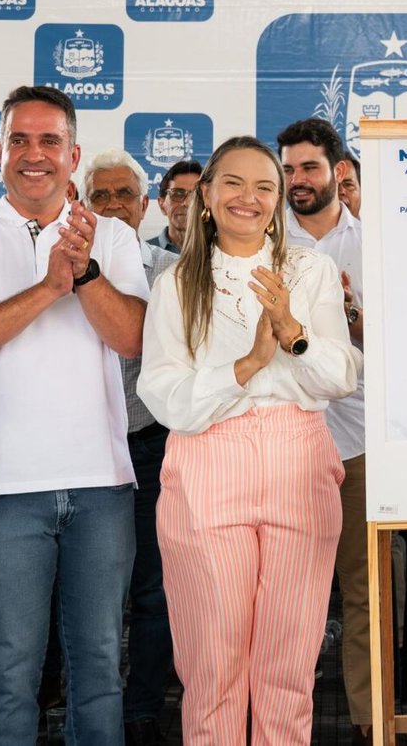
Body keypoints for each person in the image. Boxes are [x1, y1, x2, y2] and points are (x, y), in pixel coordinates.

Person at [0, 86, 149, 746]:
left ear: (72, 155)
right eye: (18, 139)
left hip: (102, 484)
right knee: (9, 671)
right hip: (3, 488)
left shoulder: (111, 235)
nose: (34, 154)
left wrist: (86, 275)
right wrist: (50, 285)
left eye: (49, 140)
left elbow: (133, 338)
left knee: (99, 667)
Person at [140, 135, 357, 746]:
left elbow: (341, 377)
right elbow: (165, 396)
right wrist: (247, 365)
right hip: (208, 460)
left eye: (265, 186)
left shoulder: (309, 270)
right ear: (207, 195)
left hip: (299, 458)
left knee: (289, 661)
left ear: (279, 199)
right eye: (233, 183)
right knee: (212, 661)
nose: (249, 197)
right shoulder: (177, 284)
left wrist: (293, 333)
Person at [276, 118, 381, 740]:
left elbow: (402, 340)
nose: (297, 180)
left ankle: (371, 721)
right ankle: (283, 721)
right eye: (288, 169)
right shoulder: (260, 242)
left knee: (367, 590)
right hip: (284, 439)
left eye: (309, 167)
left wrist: (348, 314)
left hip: (361, 439)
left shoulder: (377, 242)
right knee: (287, 594)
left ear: (339, 171)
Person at [83, 149, 178, 746]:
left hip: (150, 446)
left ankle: (141, 709)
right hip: (79, 450)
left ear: (145, 206)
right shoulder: (57, 267)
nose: (114, 205)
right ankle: (82, 708)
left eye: (125, 195)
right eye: (101, 196)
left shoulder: (173, 271)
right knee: (83, 592)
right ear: (82, 205)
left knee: (151, 589)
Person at [148, 160, 201, 256]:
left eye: (196, 195)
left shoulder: (220, 253)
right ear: (162, 204)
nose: (187, 203)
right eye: (177, 194)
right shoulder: (141, 253)